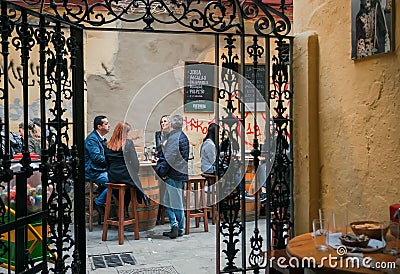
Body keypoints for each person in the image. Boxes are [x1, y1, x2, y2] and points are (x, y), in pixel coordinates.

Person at [156, 114, 189, 239]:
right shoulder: (182, 136)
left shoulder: (173, 138)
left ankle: (179, 228)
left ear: (171, 124)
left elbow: (169, 159)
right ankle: (175, 225)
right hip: (179, 173)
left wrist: (162, 172)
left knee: (175, 202)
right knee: (168, 200)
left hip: (173, 175)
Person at [105, 121, 150, 207]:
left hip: (112, 176)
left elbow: (106, 162)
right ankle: (141, 196)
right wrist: (134, 171)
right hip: (125, 175)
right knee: (133, 182)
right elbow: (135, 162)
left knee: (131, 183)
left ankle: (123, 207)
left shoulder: (107, 145)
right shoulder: (128, 143)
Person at [85, 115, 110, 215]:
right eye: (106, 124)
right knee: (113, 182)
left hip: (100, 169)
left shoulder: (100, 138)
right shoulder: (92, 140)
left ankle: (102, 191)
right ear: (99, 127)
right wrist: (111, 160)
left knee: (117, 178)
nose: (109, 125)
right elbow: (97, 158)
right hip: (93, 171)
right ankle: (98, 202)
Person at [155, 115, 171, 224]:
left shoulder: (172, 136)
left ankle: (167, 214)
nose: (162, 124)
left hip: (168, 167)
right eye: (161, 122)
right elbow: (158, 149)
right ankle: (157, 214)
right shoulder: (158, 134)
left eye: (165, 121)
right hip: (162, 163)